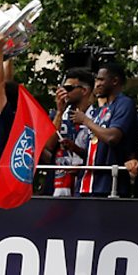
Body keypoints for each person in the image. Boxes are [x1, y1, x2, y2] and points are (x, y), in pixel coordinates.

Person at [73, 60, 137, 197]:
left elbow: (112, 138)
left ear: (114, 81)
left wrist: (85, 120)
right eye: (96, 79)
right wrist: (74, 148)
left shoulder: (124, 104)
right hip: (86, 184)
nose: (97, 84)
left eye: (101, 79)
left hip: (108, 186)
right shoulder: (100, 110)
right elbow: (96, 150)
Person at [50, 70, 94, 198]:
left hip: (85, 184)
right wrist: (59, 112)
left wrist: (74, 148)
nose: (64, 92)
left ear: (84, 91)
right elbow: (49, 145)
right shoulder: (57, 115)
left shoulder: (97, 116)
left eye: (68, 88)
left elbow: (98, 154)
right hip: (58, 185)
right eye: (62, 88)